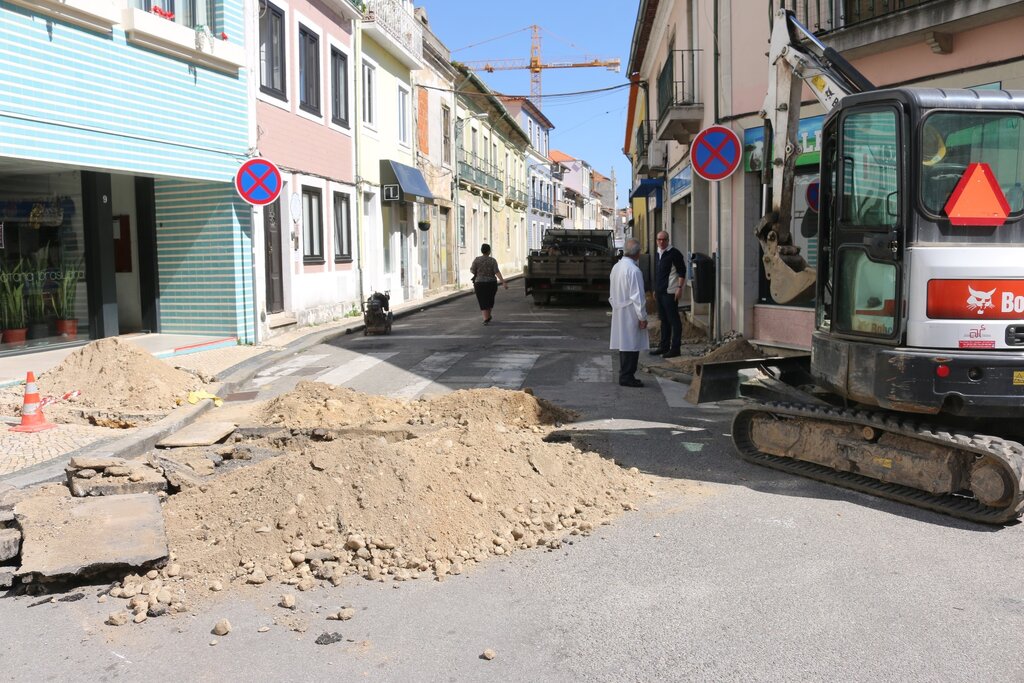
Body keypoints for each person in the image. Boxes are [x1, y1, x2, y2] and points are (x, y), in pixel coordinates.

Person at [609, 238, 648, 387]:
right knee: (631, 345)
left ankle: (625, 374)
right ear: (638, 253)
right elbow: (638, 296)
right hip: (630, 311)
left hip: (620, 309)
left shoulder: (616, 267)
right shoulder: (634, 270)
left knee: (625, 344)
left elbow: (612, 291)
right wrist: (642, 316)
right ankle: (627, 376)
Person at [652, 230, 688, 358]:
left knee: (674, 321)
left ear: (668, 240)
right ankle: (664, 346)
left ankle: (675, 348)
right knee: (664, 320)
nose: (661, 242)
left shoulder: (674, 253)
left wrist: (679, 287)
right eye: (659, 239)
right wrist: (656, 289)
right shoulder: (658, 253)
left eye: (664, 239)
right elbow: (659, 273)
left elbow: (682, 272)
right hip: (660, 292)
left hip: (671, 292)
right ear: (656, 240)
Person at [470, 243, 507, 325]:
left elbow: (472, 270)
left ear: (481, 251)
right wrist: (503, 282)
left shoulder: (476, 260)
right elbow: (497, 272)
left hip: (479, 283)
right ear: (489, 251)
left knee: (482, 300)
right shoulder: (492, 260)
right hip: (491, 283)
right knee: (490, 299)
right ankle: (487, 317)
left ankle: (486, 318)